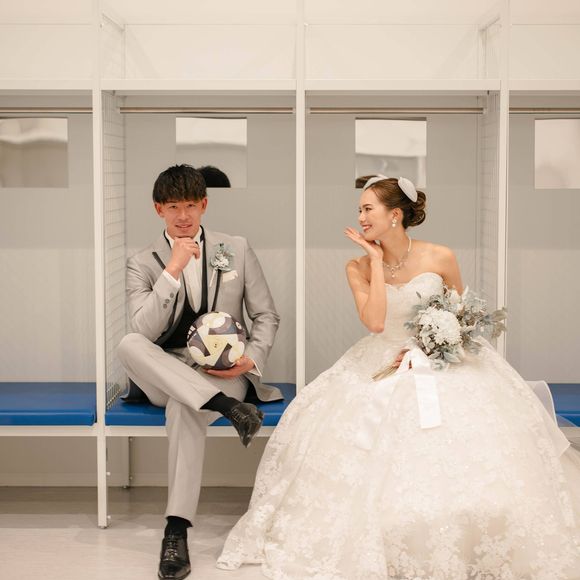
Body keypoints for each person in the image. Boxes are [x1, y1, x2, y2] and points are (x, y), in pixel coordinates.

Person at [217, 176, 580, 579]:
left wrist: (438, 341)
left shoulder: (440, 256)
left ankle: (461, 533)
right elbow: (375, 322)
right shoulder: (356, 266)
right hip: (380, 358)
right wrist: (374, 262)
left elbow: (462, 316)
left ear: (395, 214)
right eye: (359, 209)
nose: (360, 217)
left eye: (367, 208)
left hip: (441, 360)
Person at [117, 164, 281, 580]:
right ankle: (228, 408)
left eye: (191, 205)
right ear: (158, 209)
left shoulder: (236, 248)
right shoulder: (142, 262)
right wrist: (171, 271)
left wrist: (251, 360)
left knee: (184, 406)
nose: (183, 215)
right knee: (128, 343)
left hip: (224, 373)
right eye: (173, 206)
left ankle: (176, 531)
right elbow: (144, 330)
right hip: (167, 371)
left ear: (204, 204)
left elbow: (266, 315)